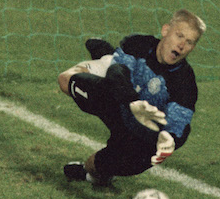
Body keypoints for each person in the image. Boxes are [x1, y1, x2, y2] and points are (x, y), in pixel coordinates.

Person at [57, 10, 206, 186]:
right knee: (67, 80)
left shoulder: (185, 82)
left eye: (189, 42)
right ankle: (107, 56)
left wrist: (170, 138)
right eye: (179, 35)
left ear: (193, 48)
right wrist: (132, 102)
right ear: (165, 30)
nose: (181, 45)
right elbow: (117, 72)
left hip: (137, 133)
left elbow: (179, 120)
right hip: (116, 103)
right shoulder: (138, 44)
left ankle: (91, 174)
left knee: (103, 166)